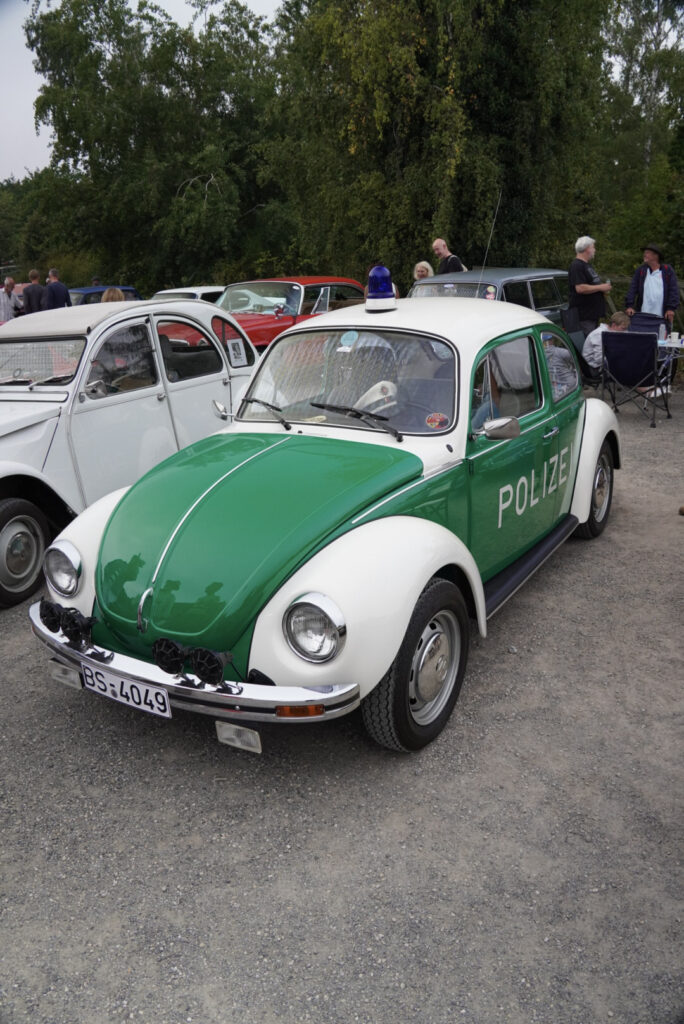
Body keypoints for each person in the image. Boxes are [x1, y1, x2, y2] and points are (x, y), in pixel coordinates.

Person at [625, 244, 680, 328]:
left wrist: (670, 308)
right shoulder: (641, 271)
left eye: (647, 253)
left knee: (661, 338)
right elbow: (632, 288)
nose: (644, 255)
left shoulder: (667, 270)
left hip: (662, 315)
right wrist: (630, 306)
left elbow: (674, 290)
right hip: (643, 314)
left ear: (655, 256)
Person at [568, 236, 611, 336]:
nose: (594, 250)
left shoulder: (587, 265)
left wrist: (602, 289)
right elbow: (580, 288)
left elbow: (590, 285)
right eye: (593, 247)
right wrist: (600, 287)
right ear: (587, 248)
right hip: (584, 317)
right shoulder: (577, 265)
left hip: (592, 315)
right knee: (590, 344)